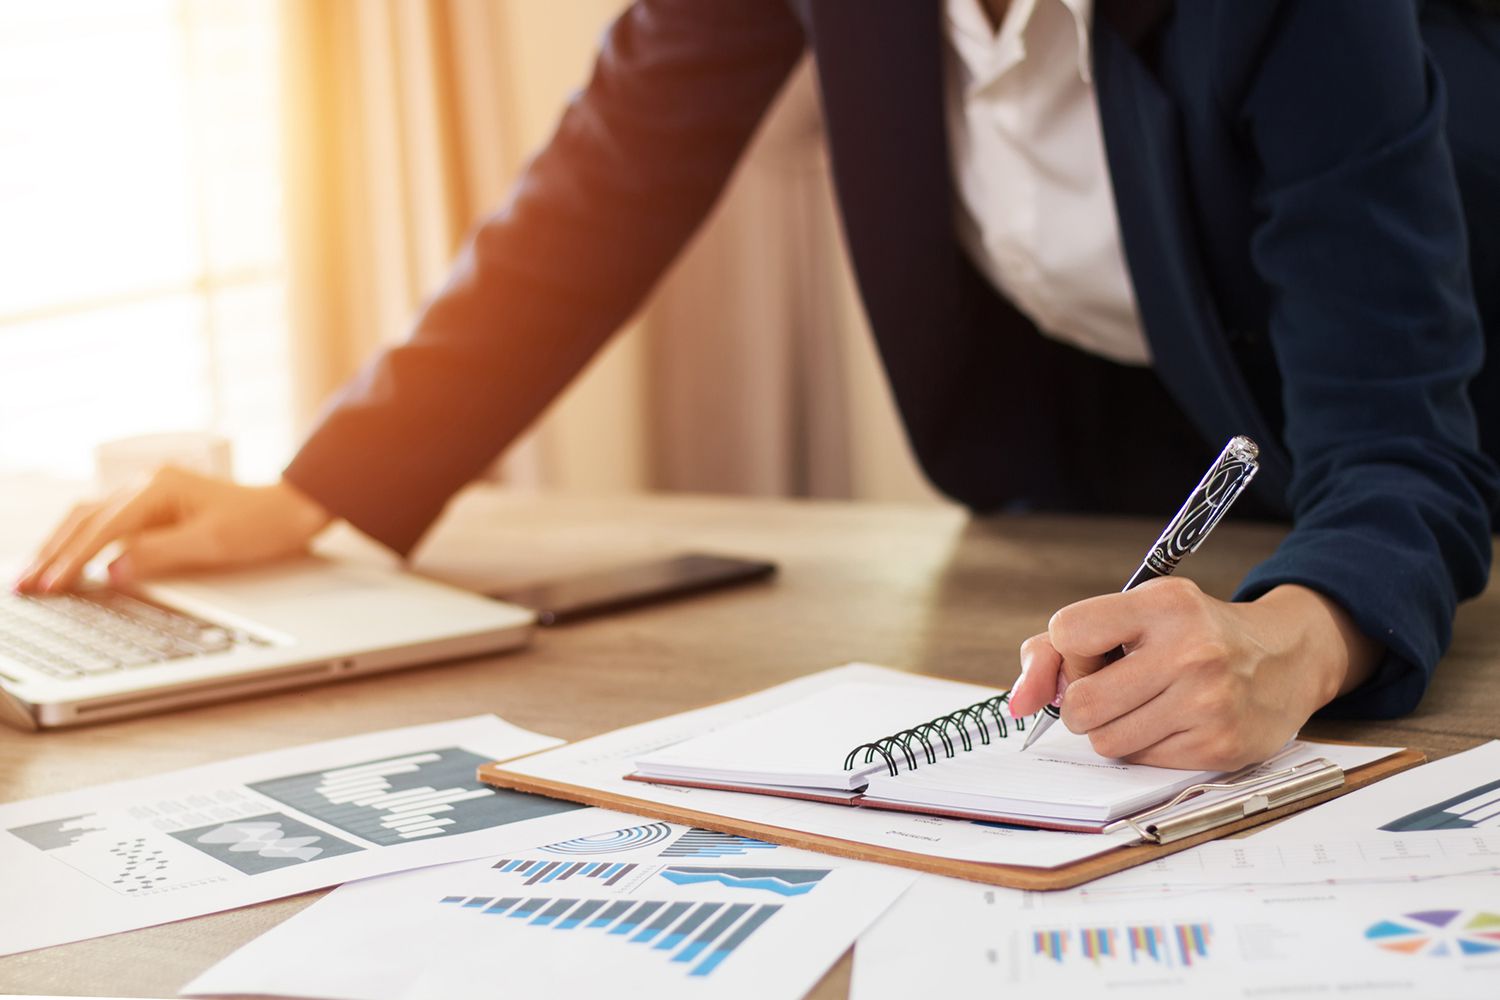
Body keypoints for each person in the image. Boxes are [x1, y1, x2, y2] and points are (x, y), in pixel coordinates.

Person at [15, 0, 1500, 770]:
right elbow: (609, 174)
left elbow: (1406, 445)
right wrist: (321, 485)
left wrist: (1295, 647)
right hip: (1122, 458)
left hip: (1426, 429)